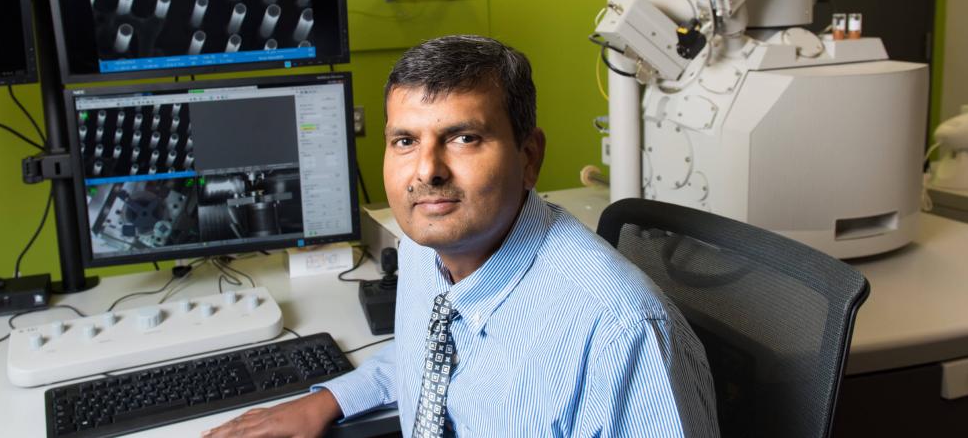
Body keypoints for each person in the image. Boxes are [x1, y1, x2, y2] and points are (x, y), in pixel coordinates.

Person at [204, 35, 718, 438]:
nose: (427, 171)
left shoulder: (620, 333)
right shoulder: (423, 250)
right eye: (405, 140)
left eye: (463, 138)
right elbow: (428, 357)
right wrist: (329, 400)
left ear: (530, 156)